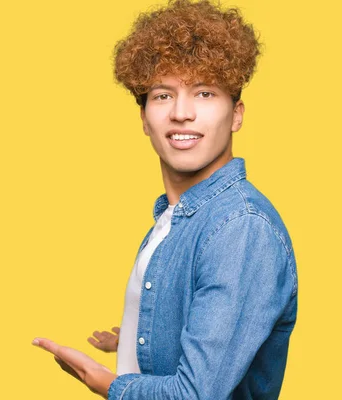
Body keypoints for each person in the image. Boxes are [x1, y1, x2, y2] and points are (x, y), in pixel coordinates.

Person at [32, 0, 298, 399]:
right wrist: (141, 341)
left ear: (237, 114)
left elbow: (194, 394)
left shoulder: (240, 228)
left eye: (205, 93)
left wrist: (106, 383)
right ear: (144, 118)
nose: (182, 113)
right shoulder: (176, 219)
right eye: (162, 95)